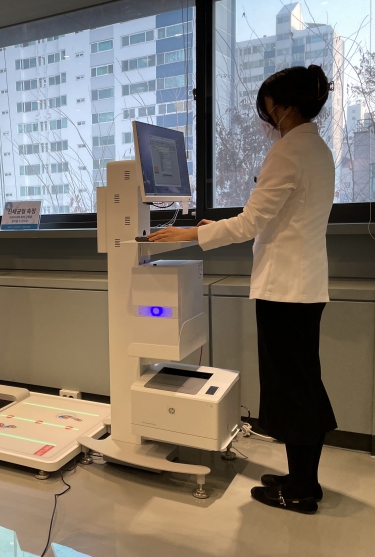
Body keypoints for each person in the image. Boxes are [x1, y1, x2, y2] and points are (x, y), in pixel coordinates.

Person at [148, 65, 337, 514]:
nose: (266, 117)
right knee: (300, 382)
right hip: (303, 285)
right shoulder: (316, 148)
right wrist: (212, 228)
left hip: (285, 289)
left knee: (293, 387)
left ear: (285, 107)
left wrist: (190, 233)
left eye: (268, 107)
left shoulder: (289, 150)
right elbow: (275, 217)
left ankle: (301, 490)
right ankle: (302, 478)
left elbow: (252, 222)